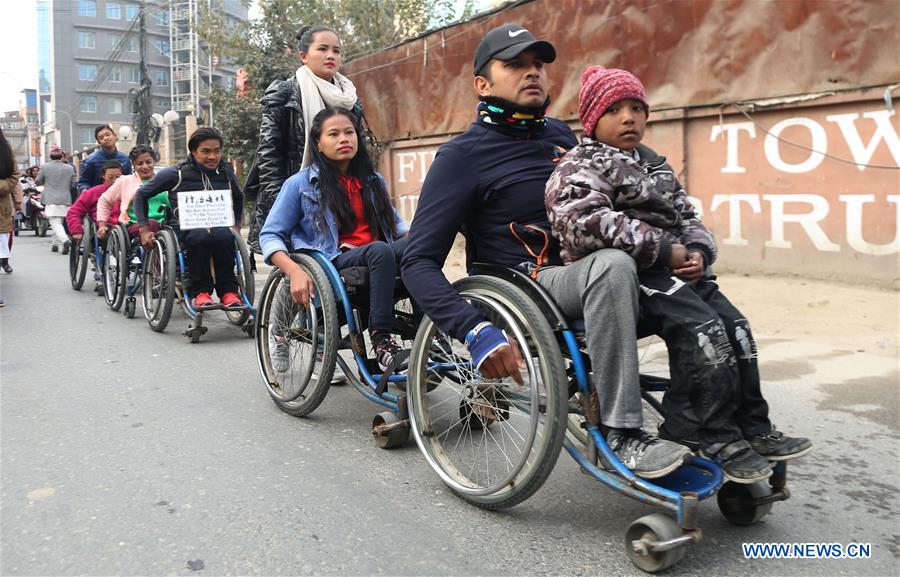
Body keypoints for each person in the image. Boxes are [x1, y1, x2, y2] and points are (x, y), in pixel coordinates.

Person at [400, 24, 690, 480]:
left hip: (585, 269)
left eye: (538, 64)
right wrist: (472, 329)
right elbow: (416, 262)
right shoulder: (461, 157)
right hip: (527, 285)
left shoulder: (563, 136)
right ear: (482, 84)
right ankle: (622, 433)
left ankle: (708, 421)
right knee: (612, 266)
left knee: (681, 271)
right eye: (515, 64)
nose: (532, 72)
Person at [544, 66, 812, 482]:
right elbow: (582, 223)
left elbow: (688, 217)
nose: (629, 117)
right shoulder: (580, 164)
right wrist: (664, 249)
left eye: (637, 108)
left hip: (672, 270)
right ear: (593, 119)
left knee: (734, 327)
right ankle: (702, 430)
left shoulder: (656, 166)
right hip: (630, 271)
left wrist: (699, 252)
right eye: (614, 109)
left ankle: (751, 425)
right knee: (701, 328)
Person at [260, 107, 410, 372]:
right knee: (380, 251)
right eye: (334, 134)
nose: (344, 139)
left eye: (349, 132)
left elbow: (397, 226)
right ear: (318, 143)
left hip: (376, 257)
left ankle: (431, 335)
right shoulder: (300, 184)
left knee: (416, 247)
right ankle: (382, 341)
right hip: (334, 259)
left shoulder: (373, 181)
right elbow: (271, 234)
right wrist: (294, 270)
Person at [249, 25, 362, 253]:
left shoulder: (350, 100)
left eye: (336, 51)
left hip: (343, 192)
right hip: (300, 193)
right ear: (303, 56)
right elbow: (269, 155)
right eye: (322, 49)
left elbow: (359, 153)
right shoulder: (285, 93)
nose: (331, 55)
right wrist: (280, 205)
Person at [133, 127, 244, 309]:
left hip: (217, 223)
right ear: (193, 151)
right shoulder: (176, 173)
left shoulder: (226, 172)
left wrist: (237, 226)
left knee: (225, 237)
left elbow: (238, 197)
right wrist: (144, 229)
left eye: (217, 151)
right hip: (185, 227)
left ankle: (228, 292)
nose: (212, 157)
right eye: (206, 151)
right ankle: (201, 292)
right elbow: (141, 195)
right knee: (199, 237)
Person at [97, 145, 170, 240]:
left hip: (164, 224)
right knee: (151, 224)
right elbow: (104, 200)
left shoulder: (164, 180)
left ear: (154, 162)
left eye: (148, 162)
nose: (145, 166)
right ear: (133, 164)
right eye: (140, 163)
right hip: (136, 225)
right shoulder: (124, 182)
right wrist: (102, 225)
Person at [65, 160, 123, 243]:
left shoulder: (128, 191)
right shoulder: (93, 192)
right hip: (103, 228)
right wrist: (77, 231)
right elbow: (74, 212)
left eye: (118, 177)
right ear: (103, 176)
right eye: (110, 177)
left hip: (124, 226)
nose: (114, 181)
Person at [35, 146, 77, 254]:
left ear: (50, 156)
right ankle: (55, 244)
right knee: (59, 221)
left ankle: (65, 240)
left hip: (51, 197)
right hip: (65, 198)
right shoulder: (70, 168)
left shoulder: (44, 167)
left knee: (54, 222)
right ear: (61, 156)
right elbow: (73, 183)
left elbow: (38, 181)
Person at [77, 125, 132, 193]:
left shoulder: (125, 159)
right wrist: (86, 192)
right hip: (97, 199)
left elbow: (130, 181)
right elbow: (83, 183)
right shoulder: (90, 161)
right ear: (99, 142)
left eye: (107, 134)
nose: (105, 138)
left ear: (114, 135)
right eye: (101, 137)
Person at [0, 128, 24, 278]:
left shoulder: (5, 153)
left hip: (2, 207)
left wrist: (18, 202)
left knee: (4, 241)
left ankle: (5, 261)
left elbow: (14, 178)